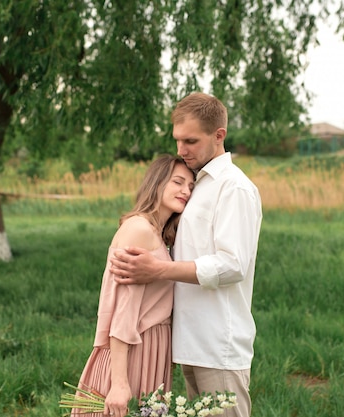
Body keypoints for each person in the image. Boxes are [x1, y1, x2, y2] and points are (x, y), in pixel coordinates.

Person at [110, 92, 262, 417]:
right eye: (177, 140)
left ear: (218, 135)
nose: (181, 150)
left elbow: (233, 265)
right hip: (189, 343)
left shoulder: (233, 188)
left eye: (191, 141)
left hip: (217, 345)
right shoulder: (197, 184)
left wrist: (158, 270)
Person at [72, 154, 195, 417]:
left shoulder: (158, 235)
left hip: (153, 351)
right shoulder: (138, 229)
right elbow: (122, 312)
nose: (186, 191)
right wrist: (119, 382)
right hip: (134, 351)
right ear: (157, 182)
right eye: (178, 182)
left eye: (191, 186)